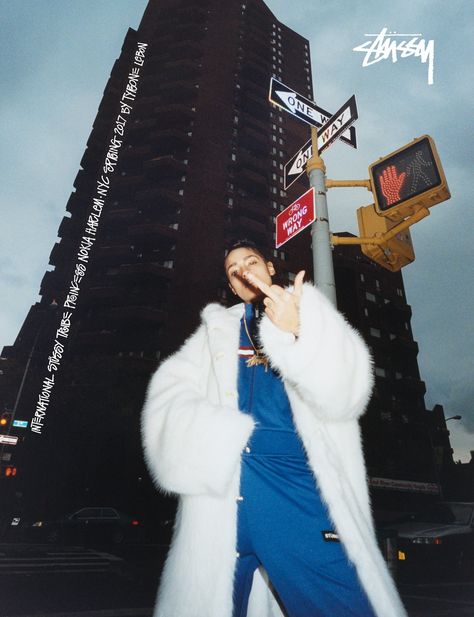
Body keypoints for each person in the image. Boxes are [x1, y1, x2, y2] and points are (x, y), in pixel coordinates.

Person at [141, 240, 408, 617]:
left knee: (339, 601)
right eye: (233, 270)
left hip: (292, 479)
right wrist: (211, 439)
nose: (243, 270)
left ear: (269, 268)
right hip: (223, 491)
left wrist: (297, 331)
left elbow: (348, 392)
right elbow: (167, 395)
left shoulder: (307, 309)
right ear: (232, 287)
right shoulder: (213, 333)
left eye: (250, 261)